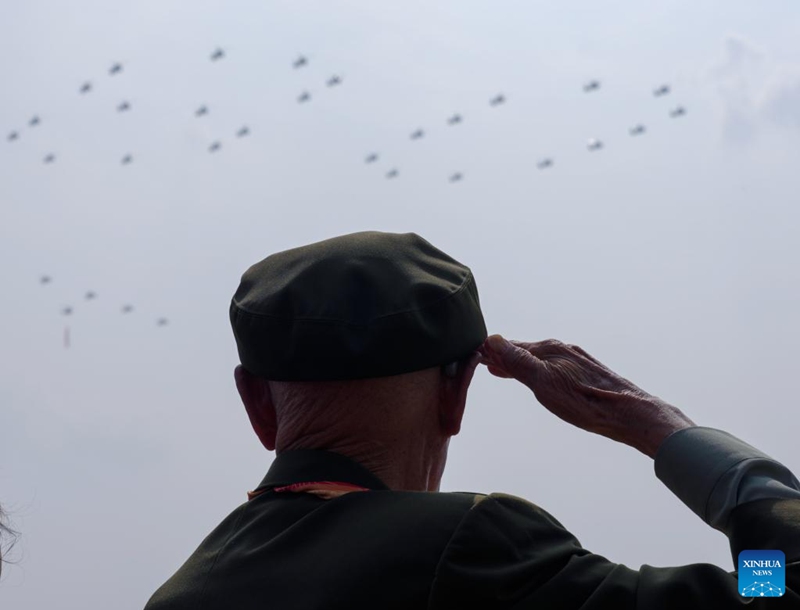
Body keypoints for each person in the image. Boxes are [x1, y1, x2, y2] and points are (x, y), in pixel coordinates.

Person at [145, 231, 799, 609]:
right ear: (454, 396)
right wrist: (662, 429)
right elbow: (776, 592)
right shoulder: (467, 551)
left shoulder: (179, 595)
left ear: (256, 403)